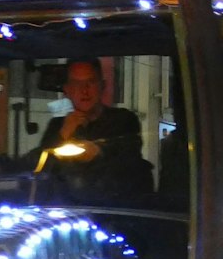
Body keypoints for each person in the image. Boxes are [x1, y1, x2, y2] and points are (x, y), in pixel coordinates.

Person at [35, 58, 151, 199]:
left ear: (102, 86)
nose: (84, 90)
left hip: (115, 208)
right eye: (77, 84)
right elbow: (39, 167)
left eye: (90, 82)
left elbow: (129, 157)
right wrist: (62, 134)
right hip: (68, 209)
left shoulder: (123, 120)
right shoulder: (58, 125)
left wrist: (99, 152)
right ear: (67, 90)